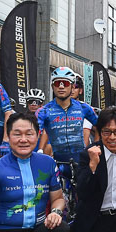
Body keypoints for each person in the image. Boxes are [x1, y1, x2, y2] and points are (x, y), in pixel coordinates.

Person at [38, 67, 95, 214]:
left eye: (65, 83)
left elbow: (102, 125)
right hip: (58, 160)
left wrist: (97, 146)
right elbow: (34, 132)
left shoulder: (84, 108)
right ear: (52, 87)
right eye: (57, 84)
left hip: (80, 160)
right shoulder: (44, 111)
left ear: (72, 86)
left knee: (87, 197)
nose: (61, 87)